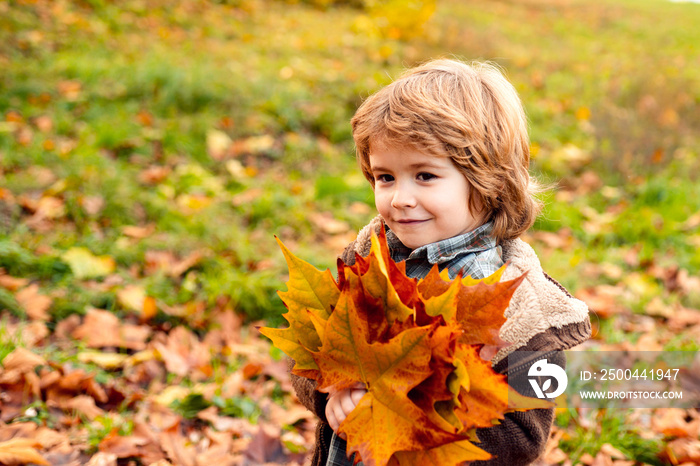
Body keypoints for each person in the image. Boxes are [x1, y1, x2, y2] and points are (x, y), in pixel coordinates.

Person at [290, 58, 591, 466]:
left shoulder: (523, 309)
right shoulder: (369, 258)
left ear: (487, 181)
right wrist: (332, 391)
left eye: (425, 176)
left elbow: (524, 435)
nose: (400, 198)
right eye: (385, 177)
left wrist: (413, 421)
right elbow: (310, 352)